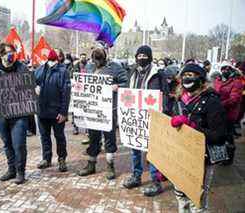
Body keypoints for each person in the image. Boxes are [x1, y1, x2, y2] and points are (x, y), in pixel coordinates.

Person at [171, 64, 227, 212]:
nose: (187, 78)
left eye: (191, 75)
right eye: (184, 75)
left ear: (201, 80)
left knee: (197, 201)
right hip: (181, 156)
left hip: (203, 158)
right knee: (180, 195)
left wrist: (193, 126)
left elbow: (219, 135)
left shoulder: (212, 101)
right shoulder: (178, 100)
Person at [122, 45, 169, 197]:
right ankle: (136, 176)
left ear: (150, 57)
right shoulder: (132, 72)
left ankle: (156, 182)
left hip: (153, 119)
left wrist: (164, 113)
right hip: (135, 119)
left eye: (144, 55)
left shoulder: (158, 75)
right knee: (135, 149)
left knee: (153, 151)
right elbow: (127, 92)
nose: (141, 58)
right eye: (139, 55)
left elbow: (166, 96)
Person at [78, 43, 128, 180]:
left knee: (109, 138)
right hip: (93, 109)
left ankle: (110, 165)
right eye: (94, 52)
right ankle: (91, 164)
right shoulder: (89, 66)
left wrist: (117, 86)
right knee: (93, 138)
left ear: (105, 53)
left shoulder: (115, 67)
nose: (97, 58)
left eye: (99, 52)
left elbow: (126, 82)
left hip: (108, 109)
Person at [0, 43, 30, 184]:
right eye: (8, 52)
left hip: (19, 114)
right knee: (7, 143)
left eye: (13, 52)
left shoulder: (22, 68)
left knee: (19, 144)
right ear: (1, 55)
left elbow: (29, 87)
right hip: (2, 114)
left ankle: (21, 172)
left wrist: (34, 89)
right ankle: (11, 169)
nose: (11, 55)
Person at [35, 49, 71, 172]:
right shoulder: (40, 69)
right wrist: (35, 88)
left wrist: (64, 112)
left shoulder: (63, 71)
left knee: (59, 136)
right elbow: (32, 83)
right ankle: (46, 158)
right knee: (44, 136)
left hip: (57, 112)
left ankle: (62, 158)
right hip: (42, 110)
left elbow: (66, 93)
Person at [214, 61, 244, 165]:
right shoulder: (218, 80)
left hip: (229, 113)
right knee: (219, 135)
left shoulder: (237, 82)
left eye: (227, 68)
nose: (225, 70)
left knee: (228, 135)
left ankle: (228, 158)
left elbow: (234, 99)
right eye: (223, 68)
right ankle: (220, 156)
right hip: (218, 112)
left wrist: (219, 104)